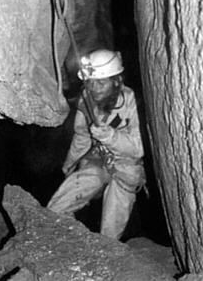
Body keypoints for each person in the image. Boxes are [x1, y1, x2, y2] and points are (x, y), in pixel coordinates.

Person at [47, 49, 145, 240]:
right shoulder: (86, 99)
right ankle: (54, 235)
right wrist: (70, 164)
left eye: (101, 83)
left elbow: (138, 148)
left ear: (116, 82)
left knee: (110, 232)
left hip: (126, 166)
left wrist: (111, 136)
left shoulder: (131, 101)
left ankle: (106, 248)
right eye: (90, 82)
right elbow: (82, 136)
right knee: (57, 207)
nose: (94, 88)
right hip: (98, 159)